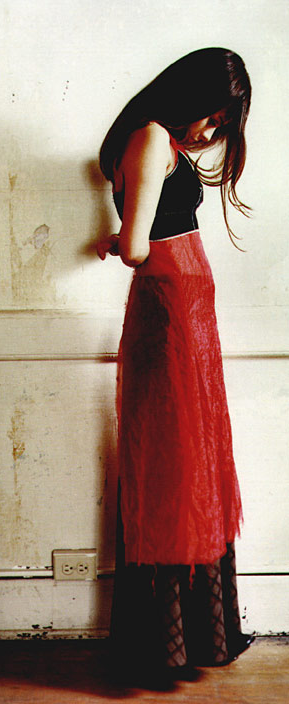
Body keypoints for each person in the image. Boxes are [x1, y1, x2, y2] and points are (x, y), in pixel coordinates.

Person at [96, 48, 255, 679]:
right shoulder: (150, 138)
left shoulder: (155, 141)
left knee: (190, 459)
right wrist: (124, 241)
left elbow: (140, 232)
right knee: (174, 462)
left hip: (185, 319)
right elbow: (141, 248)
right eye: (211, 117)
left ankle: (195, 640)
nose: (212, 133)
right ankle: (169, 646)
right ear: (185, 96)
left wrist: (120, 238)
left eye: (222, 124)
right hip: (169, 319)